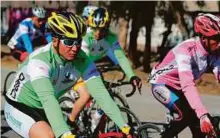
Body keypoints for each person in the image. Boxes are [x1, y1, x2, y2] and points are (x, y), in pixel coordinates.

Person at [4, 11, 133, 138]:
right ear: (55, 41)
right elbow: (48, 99)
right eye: (69, 42)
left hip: (43, 110)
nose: (75, 48)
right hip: (19, 106)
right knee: (48, 136)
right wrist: (64, 133)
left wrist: (124, 126)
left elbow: (100, 93)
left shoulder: (82, 59)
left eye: (77, 42)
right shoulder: (39, 61)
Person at [149, 13, 220, 138]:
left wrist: (203, 116)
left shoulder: (213, 54)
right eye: (217, 38)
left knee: (201, 127)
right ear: (204, 37)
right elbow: (187, 84)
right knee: (187, 114)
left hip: (180, 88)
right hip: (162, 84)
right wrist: (202, 115)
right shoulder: (185, 50)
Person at [81, 7, 142, 92]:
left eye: (101, 30)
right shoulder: (85, 36)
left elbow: (120, 58)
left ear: (107, 28)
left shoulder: (111, 38)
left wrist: (132, 76)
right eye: (95, 28)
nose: (97, 34)